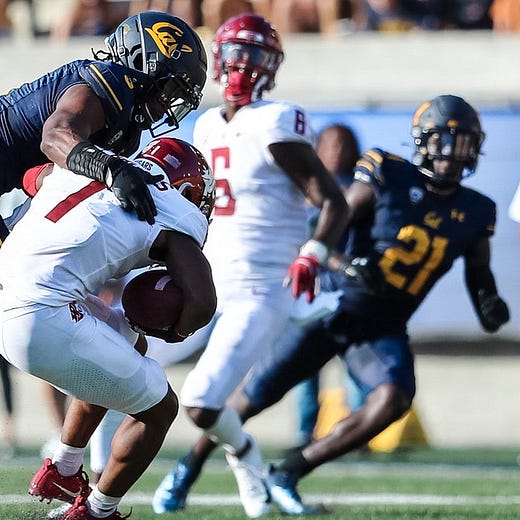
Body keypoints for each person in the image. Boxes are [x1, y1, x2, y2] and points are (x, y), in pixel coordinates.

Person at [165, 94, 509, 515]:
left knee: (393, 400)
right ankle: (188, 466)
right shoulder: (388, 174)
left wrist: (488, 301)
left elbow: (478, 270)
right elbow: (335, 219)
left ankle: (289, 470)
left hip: (382, 325)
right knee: (254, 396)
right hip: (331, 305)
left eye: (463, 144)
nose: (453, 154)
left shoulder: (476, 210)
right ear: (423, 140)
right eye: (444, 141)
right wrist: (343, 264)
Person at [152, 12, 348, 518]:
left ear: (272, 65)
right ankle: (88, 477)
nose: (243, 65)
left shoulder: (276, 119)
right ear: (217, 59)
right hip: (206, 279)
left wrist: (313, 254)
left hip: (263, 287)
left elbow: (333, 201)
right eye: (236, 53)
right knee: (129, 360)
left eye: (255, 55)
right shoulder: (204, 124)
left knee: (200, 402)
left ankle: (245, 455)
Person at [0, 136, 217, 520]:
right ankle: (98, 511)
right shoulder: (175, 208)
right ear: (186, 189)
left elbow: (34, 177)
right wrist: (174, 330)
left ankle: (63, 468)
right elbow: (202, 303)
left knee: (128, 344)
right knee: (160, 407)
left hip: (12, 296)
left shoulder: (94, 165)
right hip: (39, 315)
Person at [0, 10, 208, 244]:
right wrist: (112, 169)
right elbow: (54, 136)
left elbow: (38, 178)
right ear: (142, 61)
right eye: (170, 90)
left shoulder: (127, 133)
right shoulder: (111, 84)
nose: (167, 105)